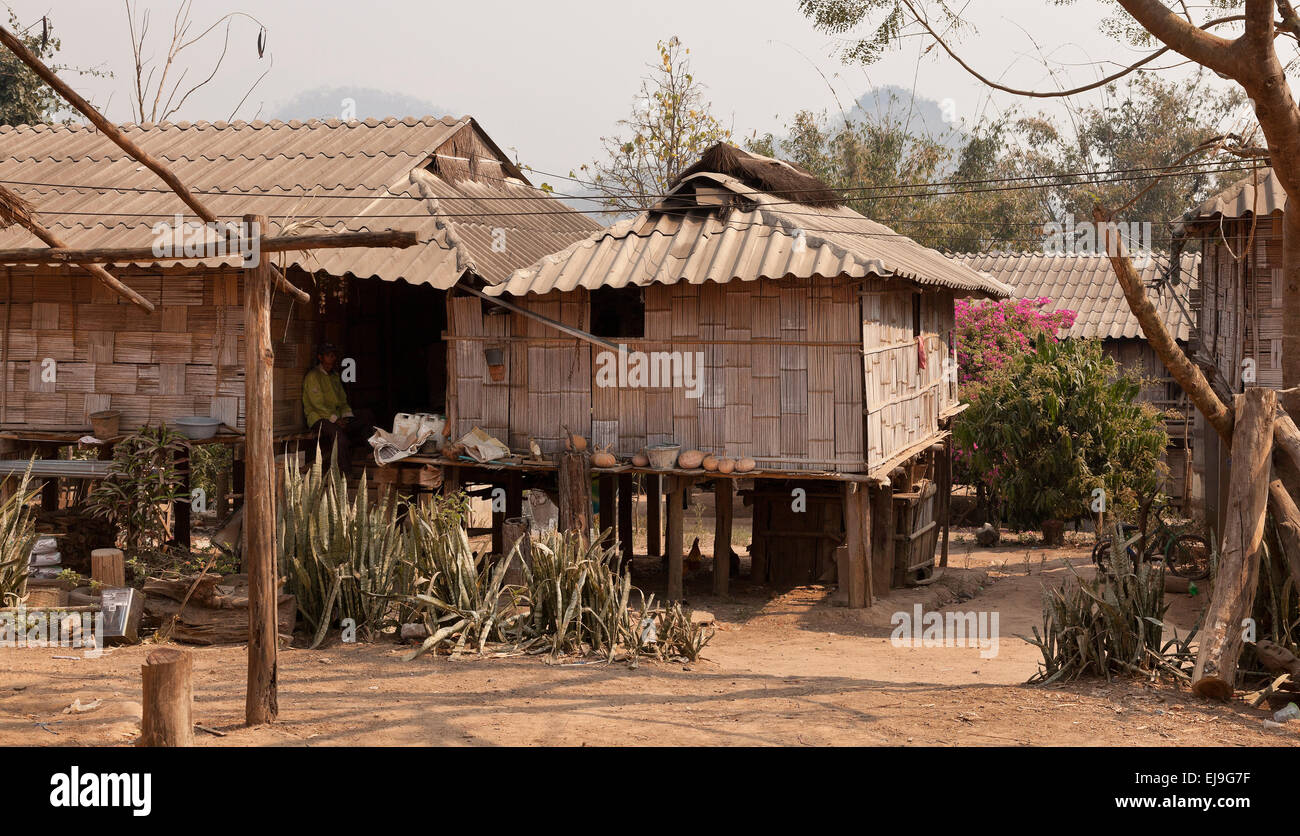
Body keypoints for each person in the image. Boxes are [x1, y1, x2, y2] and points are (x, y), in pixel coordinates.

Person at [303, 343, 364, 473]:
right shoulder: (313, 376)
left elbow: (342, 400)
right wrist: (335, 420)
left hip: (337, 417)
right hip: (319, 418)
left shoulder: (335, 376)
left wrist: (347, 416)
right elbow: (317, 405)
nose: (332, 357)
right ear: (320, 357)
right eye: (328, 355)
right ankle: (344, 475)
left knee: (366, 416)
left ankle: (371, 456)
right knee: (339, 436)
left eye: (333, 355)